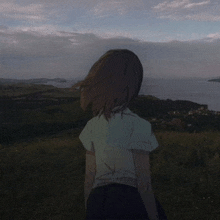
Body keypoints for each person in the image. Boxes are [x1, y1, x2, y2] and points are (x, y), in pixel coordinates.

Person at [72, 49, 167, 219]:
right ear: (133, 84)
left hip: (98, 201)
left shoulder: (92, 125)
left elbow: (89, 177)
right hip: (129, 199)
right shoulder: (139, 125)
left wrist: (90, 207)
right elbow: (144, 183)